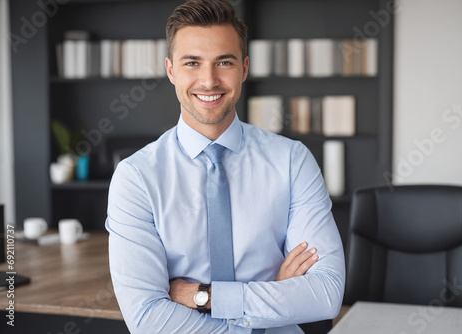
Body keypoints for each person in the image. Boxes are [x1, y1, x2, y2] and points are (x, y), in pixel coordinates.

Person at [105, 0, 345, 333]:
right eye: (192, 62)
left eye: (224, 62)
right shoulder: (136, 178)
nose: (209, 80)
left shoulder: (292, 160)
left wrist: (202, 296)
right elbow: (147, 318)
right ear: (171, 70)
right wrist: (274, 296)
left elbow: (325, 294)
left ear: (244, 68)